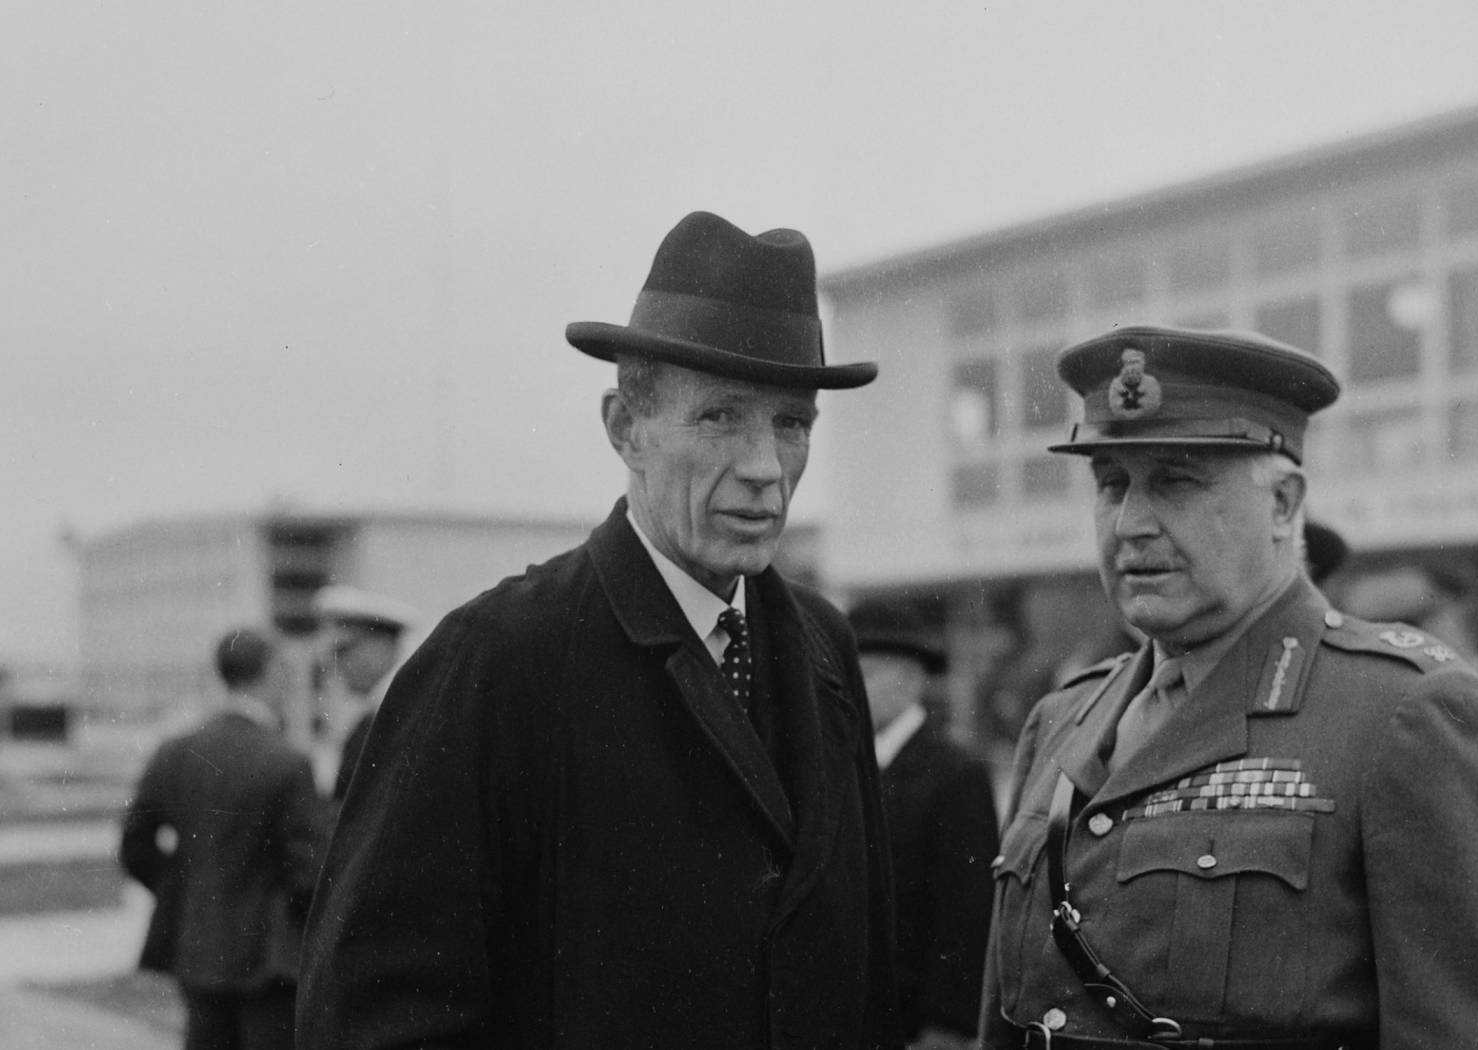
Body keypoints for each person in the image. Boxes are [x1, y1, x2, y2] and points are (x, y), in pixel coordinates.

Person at [297, 211, 899, 1050]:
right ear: (624, 428)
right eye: (721, 417)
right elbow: (372, 1014)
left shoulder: (823, 647)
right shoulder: (497, 658)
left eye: (791, 424)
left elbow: (865, 982)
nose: (765, 467)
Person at [980, 325, 1478, 1049]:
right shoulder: (1063, 720)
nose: (1131, 523)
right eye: (1112, 484)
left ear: (1285, 505)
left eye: (1177, 482)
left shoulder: (1409, 715)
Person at [119, 627, 327, 1050]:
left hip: (196, 949)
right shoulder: (287, 762)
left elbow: (135, 846)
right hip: (268, 961)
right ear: (269, 672)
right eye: (285, 671)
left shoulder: (175, 751)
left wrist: (185, 891)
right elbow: (311, 871)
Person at [848, 597, 997, 1050]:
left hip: (918, 1028)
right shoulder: (838, 767)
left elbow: (968, 913)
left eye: (867, 674)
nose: (851, 688)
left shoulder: (955, 773)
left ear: (912, 679)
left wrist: (946, 1029)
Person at [310, 584, 418, 800]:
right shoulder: (376, 712)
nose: (337, 665)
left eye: (344, 650)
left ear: (383, 646)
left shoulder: (399, 713)